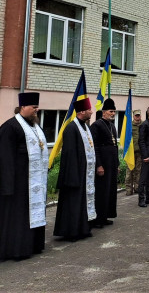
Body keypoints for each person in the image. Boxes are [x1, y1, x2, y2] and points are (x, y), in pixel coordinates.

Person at [0, 92, 48, 260]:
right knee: (15, 216)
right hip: (17, 181)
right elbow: (4, 157)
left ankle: (32, 245)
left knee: (29, 214)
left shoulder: (35, 127)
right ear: (22, 107)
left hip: (32, 180)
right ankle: (14, 249)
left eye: (37, 107)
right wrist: (7, 184)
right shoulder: (10, 126)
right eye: (34, 107)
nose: (36, 110)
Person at [53, 98, 96, 241]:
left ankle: (83, 228)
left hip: (85, 173)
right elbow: (69, 154)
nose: (91, 112)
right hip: (74, 174)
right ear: (82, 111)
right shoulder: (71, 128)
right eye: (89, 110)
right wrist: (73, 175)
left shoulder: (85, 127)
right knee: (73, 203)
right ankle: (71, 232)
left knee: (82, 202)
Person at [90, 98, 119, 227]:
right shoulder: (96, 125)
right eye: (111, 111)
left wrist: (117, 164)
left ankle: (105, 215)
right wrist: (99, 165)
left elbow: (115, 146)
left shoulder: (112, 126)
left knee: (110, 190)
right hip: (103, 163)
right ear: (104, 112)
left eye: (114, 111)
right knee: (101, 191)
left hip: (112, 163)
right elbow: (95, 147)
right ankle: (97, 218)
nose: (113, 113)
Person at [124, 110, 142, 196]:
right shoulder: (129, 125)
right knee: (129, 171)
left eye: (139, 115)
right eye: (136, 116)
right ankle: (128, 189)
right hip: (131, 152)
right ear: (133, 116)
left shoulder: (143, 125)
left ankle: (137, 188)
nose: (137, 117)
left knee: (139, 171)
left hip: (140, 151)